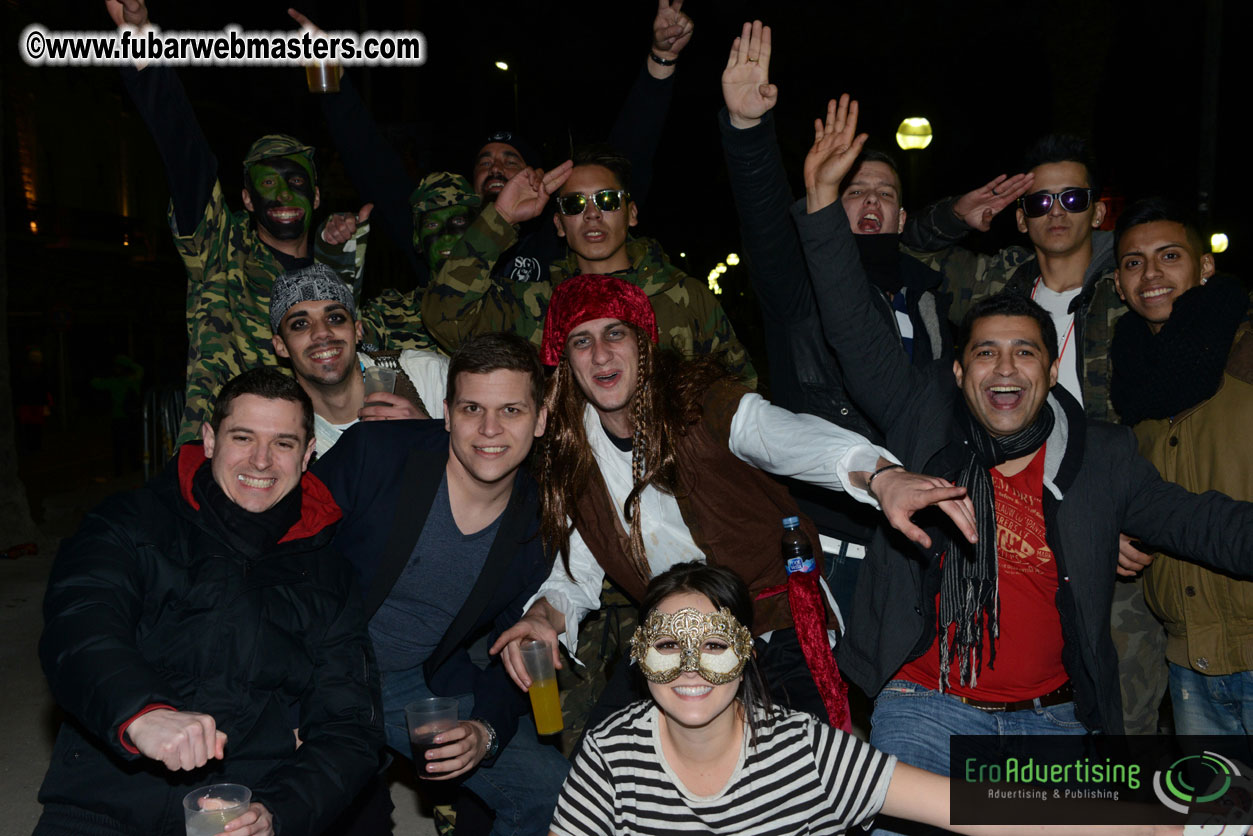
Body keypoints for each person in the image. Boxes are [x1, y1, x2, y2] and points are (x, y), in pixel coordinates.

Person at [793, 96, 1253, 833]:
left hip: (1053, 728)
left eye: (1024, 353)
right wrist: (820, 203)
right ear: (957, 370)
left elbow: (1201, 522)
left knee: (1197, 810)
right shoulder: (920, 421)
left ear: (1049, 370)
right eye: (984, 352)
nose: (1003, 369)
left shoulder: (1100, 457)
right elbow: (850, 324)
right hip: (927, 713)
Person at [491, 272, 977, 737]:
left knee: (800, 775)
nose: (600, 355)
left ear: (641, 342)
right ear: (566, 360)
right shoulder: (574, 459)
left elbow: (775, 433)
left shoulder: (698, 403)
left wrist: (879, 475)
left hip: (773, 623)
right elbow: (573, 579)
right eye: (581, 341)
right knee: (606, 766)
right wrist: (540, 619)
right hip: (673, 637)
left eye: (614, 333)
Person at [718, 21, 1016, 624]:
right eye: (853, 190)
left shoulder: (934, 295)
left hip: (918, 535)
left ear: (903, 215)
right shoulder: (800, 290)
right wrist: (748, 132)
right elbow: (767, 226)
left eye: (883, 193)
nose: (870, 202)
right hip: (828, 534)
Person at [549, 562, 1181, 836]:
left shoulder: (803, 750)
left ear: (746, 652)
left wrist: (1163, 813)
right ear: (639, 656)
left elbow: (975, 805)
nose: (690, 671)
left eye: (713, 645)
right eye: (667, 647)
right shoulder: (612, 752)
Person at [35, 367, 382, 836]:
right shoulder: (130, 522)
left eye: (282, 443)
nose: (261, 461)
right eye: (243, 437)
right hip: (105, 798)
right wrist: (141, 712)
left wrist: (278, 813)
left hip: (238, 811)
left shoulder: (329, 574)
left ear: (307, 455)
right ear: (210, 440)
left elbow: (351, 725)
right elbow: (79, 624)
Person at [107, 0, 436, 447]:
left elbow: (432, 323)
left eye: (296, 181)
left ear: (316, 196)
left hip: (317, 471)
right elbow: (186, 156)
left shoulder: (337, 287)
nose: (283, 195)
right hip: (221, 463)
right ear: (246, 198)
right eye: (267, 183)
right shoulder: (220, 254)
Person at [312, 333, 570, 836]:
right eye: (473, 408)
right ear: (447, 413)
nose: (490, 429)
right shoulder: (377, 454)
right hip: (318, 663)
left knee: (552, 792)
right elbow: (287, 545)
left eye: (512, 410)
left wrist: (486, 731)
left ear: (539, 420)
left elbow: (516, 648)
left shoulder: (536, 522)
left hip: (413, 682)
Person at [295, 0, 693, 286]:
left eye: (510, 159)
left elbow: (625, 162)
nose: (496, 167)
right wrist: (335, 86)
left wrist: (660, 63)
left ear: (536, 176)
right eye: (484, 162)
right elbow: (374, 166)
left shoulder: (560, 232)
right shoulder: (440, 232)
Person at [424, 147, 756, 384]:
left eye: (607, 200)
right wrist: (502, 216)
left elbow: (738, 393)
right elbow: (445, 317)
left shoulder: (685, 297)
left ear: (632, 213)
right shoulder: (538, 306)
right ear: (558, 224)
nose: (592, 213)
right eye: (574, 204)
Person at [1109, 198, 1253, 736]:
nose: (1151, 274)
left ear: (1204, 265)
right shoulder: (1130, 386)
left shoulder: (1246, 352)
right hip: (1188, 657)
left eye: (1169, 255)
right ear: (1120, 286)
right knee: (1217, 820)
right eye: (1133, 262)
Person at [269, 263, 450, 457]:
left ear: (357, 331)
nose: (322, 333)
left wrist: (429, 433)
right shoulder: (282, 429)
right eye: (300, 324)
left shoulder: (428, 375)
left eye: (335, 318)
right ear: (281, 346)